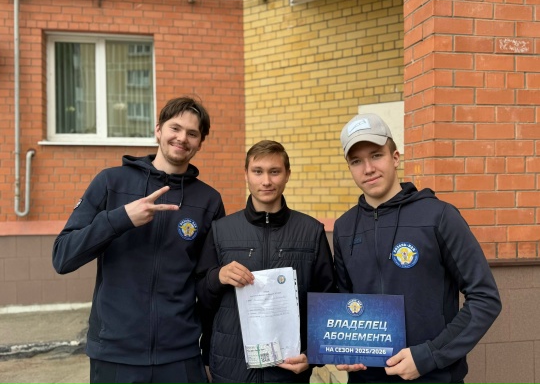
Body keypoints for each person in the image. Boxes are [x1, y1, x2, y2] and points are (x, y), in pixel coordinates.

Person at [52, 96, 226, 384]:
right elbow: (63, 257)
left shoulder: (208, 200)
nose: (182, 138)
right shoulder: (111, 183)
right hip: (115, 353)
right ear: (158, 130)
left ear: (200, 143)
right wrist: (120, 219)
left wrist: (209, 353)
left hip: (180, 355)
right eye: (175, 128)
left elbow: (207, 285)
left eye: (192, 133)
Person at [333, 113, 502, 383]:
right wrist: (344, 348)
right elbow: (344, 303)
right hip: (366, 379)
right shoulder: (344, 227)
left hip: (432, 377)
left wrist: (429, 356)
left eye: (376, 155)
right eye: (356, 161)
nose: (368, 168)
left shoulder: (439, 217)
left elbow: (485, 298)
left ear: (395, 157)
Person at [195, 140, 336, 384]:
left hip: (288, 372)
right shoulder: (221, 231)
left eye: (275, 171)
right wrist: (217, 277)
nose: (266, 181)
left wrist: (313, 355)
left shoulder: (311, 232)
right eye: (258, 171)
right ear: (246, 174)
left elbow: (326, 302)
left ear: (287, 174)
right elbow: (202, 298)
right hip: (230, 369)